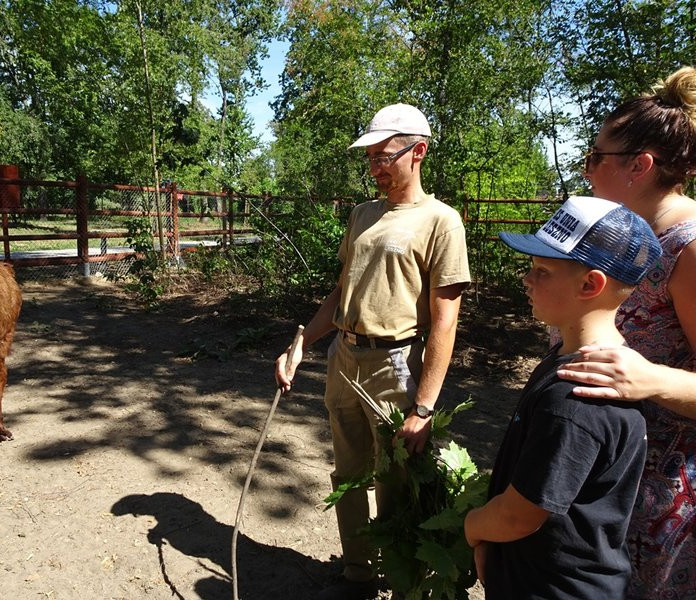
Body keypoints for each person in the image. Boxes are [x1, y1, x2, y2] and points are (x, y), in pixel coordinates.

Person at [274, 103, 470, 599]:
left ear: (418, 152)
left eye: (385, 157)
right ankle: (357, 576)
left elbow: (445, 321)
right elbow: (342, 292)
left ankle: (402, 582)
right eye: (371, 160)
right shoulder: (362, 215)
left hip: (395, 365)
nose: (375, 168)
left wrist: (424, 407)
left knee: (396, 480)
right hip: (344, 356)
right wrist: (301, 344)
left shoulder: (441, 222)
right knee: (348, 473)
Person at [464, 196, 662, 599]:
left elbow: (521, 515)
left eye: (542, 270)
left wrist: (474, 528)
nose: (526, 279)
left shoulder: (579, 395)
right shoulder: (573, 360)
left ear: (590, 284)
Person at [553, 66, 696, 599]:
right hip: (598, 488)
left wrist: (653, 378)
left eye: (595, 158)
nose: (587, 171)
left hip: (658, 513)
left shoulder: (689, 250)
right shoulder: (618, 236)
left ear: (640, 165)